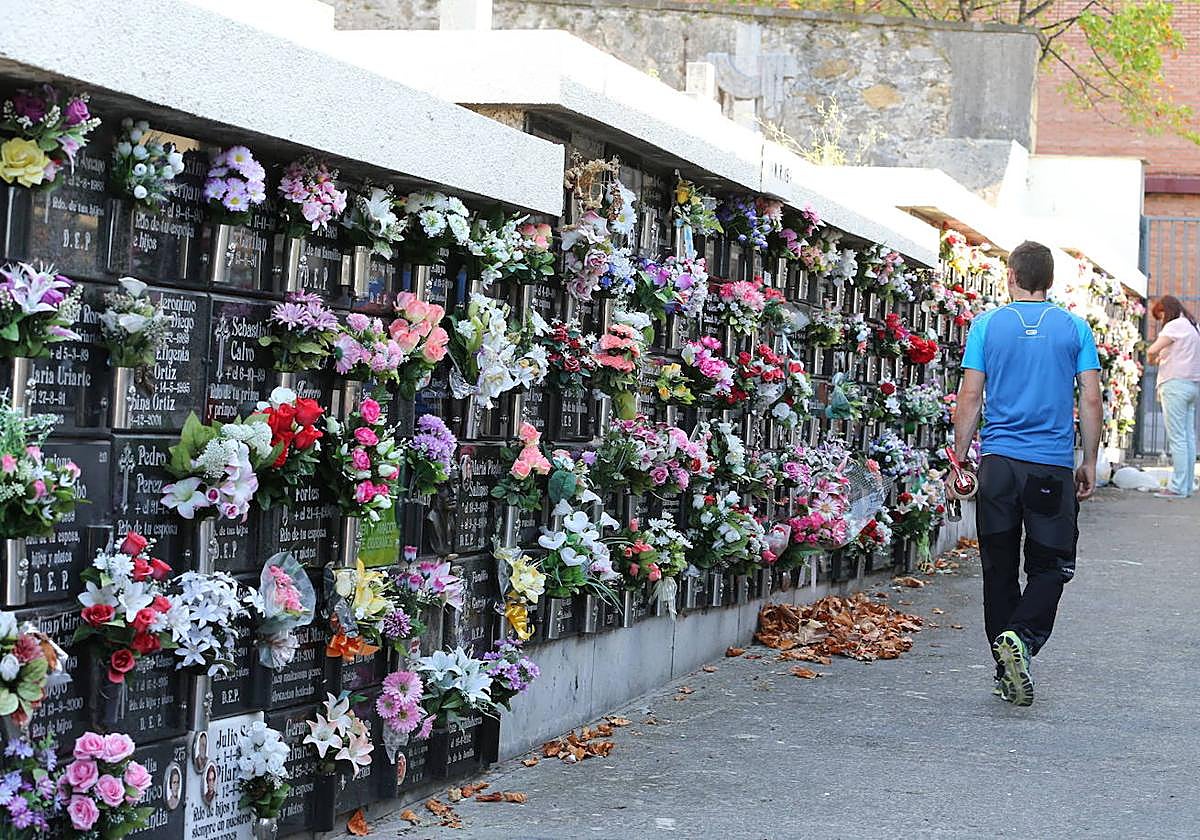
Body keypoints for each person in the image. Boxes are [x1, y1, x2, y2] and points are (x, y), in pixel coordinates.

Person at [953, 240, 1102, 707]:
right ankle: (1023, 638)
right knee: (1052, 565)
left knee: (998, 569)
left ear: (1011, 276)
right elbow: (1091, 398)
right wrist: (1090, 460)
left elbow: (970, 396)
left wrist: (960, 457)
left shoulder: (987, 325)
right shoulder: (1075, 328)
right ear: (1050, 280)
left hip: (998, 466)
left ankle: (1005, 668)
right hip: (1050, 468)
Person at [1145, 295, 1200, 498]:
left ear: (1166, 311)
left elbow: (1152, 349)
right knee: (1187, 437)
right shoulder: (1194, 326)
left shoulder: (1175, 326)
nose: (1161, 321)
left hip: (1174, 384)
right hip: (1193, 385)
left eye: (1160, 316)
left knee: (1177, 438)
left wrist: (1153, 358)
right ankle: (1185, 486)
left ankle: (1176, 487)